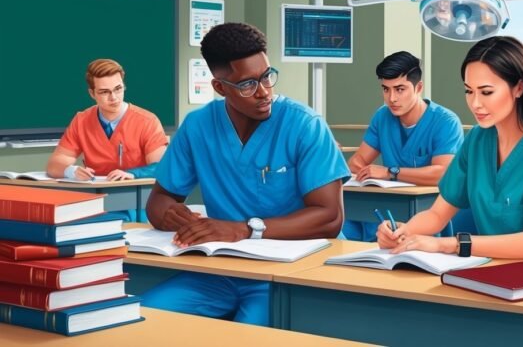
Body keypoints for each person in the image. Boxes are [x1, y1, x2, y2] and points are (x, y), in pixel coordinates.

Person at [141, 22, 349, 325]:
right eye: (248, 84)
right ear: (220, 87)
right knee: (144, 318)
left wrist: (245, 229)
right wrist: (171, 215)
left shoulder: (305, 125)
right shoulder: (197, 126)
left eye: (267, 76)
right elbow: (160, 198)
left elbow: (330, 217)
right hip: (221, 269)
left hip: (291, 271)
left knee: (249, 334)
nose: (264, 92)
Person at [377, 36, 523, 262]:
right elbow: (437, 214)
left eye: (486, 92)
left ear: (519, 88)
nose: (475, 103)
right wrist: (402, 232)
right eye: (469, 91)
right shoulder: (477, 140)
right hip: (492, 271)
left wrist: (447, 244)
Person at [344, 51, 464, 241]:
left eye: (400, 89)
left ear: (419, 87)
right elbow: (356, 162)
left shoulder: (445, 122)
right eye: (386, 89)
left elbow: (443, 174)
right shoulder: (382, 117)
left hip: (426, 213)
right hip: (384, 208)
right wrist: (367, 172)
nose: (391, 98)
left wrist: (390, 172)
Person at [46, 59, 168, 181]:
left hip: (135, 189)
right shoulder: (81, 121)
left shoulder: (147, 121)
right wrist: (71, 171)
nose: (113, 97)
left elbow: (163, 167)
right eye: (104, 92)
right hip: (95, 190)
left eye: (118, 89)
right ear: (92, 94)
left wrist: (133, 174)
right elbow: (54, 165)